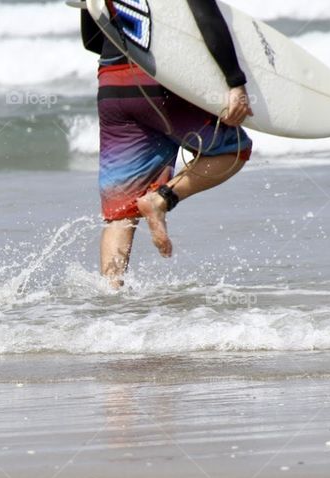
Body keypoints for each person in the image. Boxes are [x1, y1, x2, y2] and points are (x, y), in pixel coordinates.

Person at [81, 0, 253, 287]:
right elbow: (205, 15)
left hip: (112, 86)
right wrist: (235, 81)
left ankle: (110, 300)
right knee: (234, 150)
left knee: (121, 214)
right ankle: (161, 199)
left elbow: (93, 39)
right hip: (159, 79)